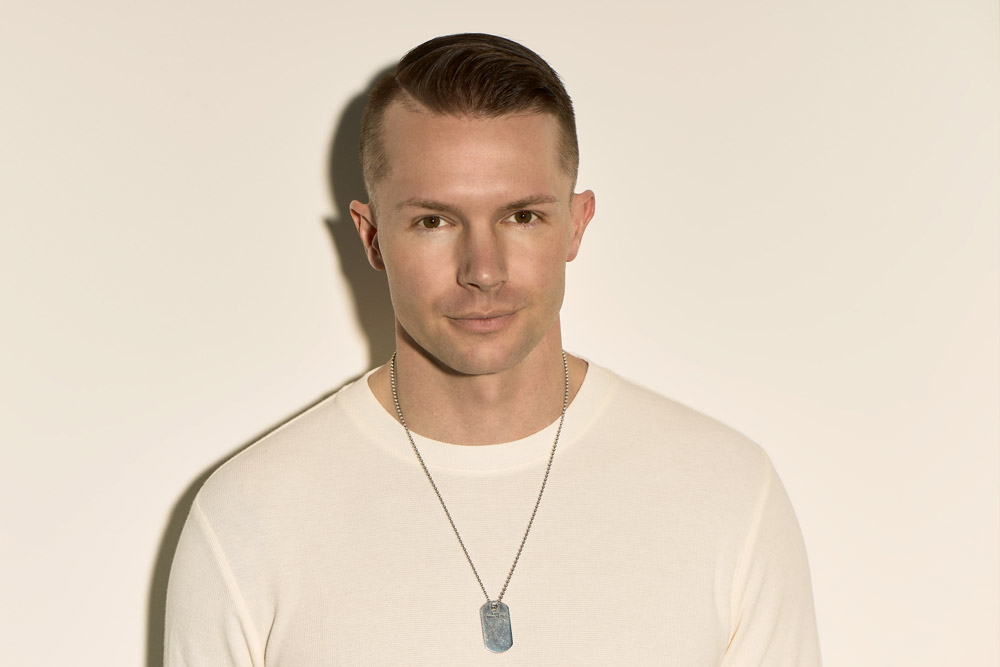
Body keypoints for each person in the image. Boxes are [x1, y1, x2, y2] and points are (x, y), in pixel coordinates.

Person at [164, 33, 821, 665]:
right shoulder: (249, 517)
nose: (483, 269)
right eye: (434, 221)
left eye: (522, 216)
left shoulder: (728, 492)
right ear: (371, 237)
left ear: (576, 224)